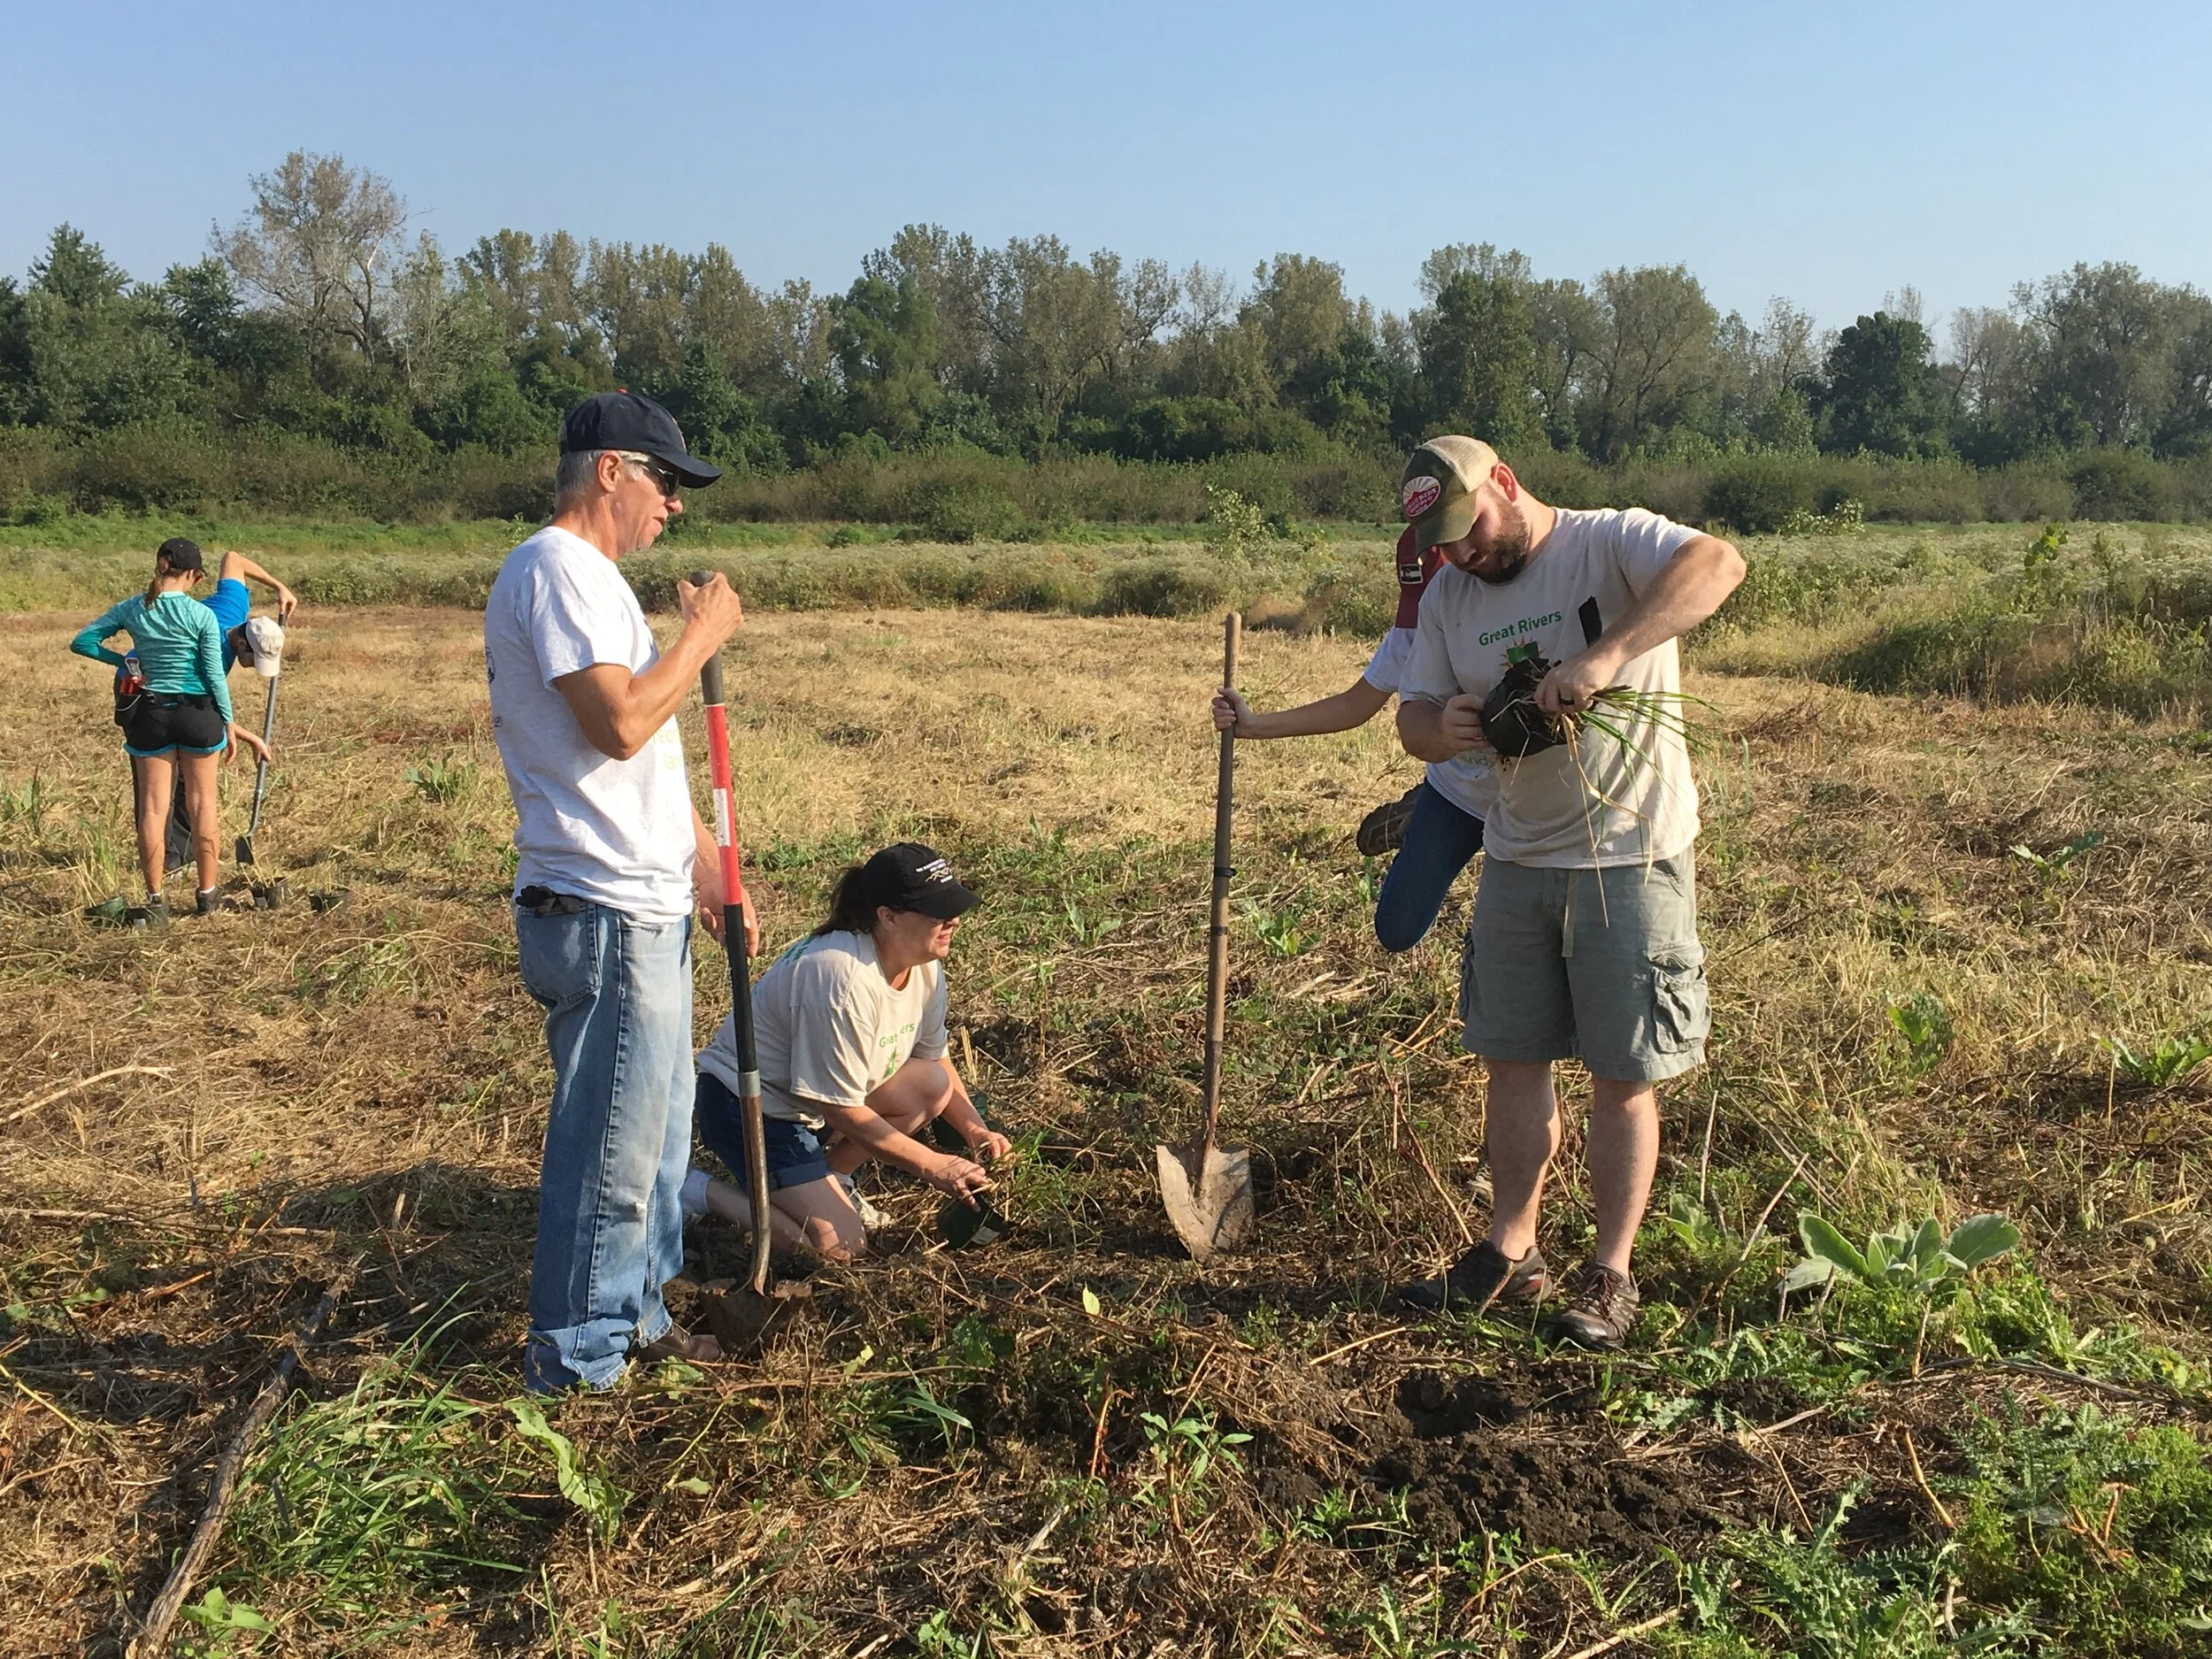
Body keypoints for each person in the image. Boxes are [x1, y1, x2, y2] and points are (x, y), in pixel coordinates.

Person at [1389, 435, 1745, 1348]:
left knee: (1621, 1077)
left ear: (1504, 485)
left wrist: (1604, 655)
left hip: (1629, 856)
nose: (1462, 555)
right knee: (1511, 1060)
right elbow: (1412, 722)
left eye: (1471, 531)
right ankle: (1512, 1249)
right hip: (1516, 858)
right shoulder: (1447, 597)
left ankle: (1610, 1276)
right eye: (1444, 546)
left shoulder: (1607, 541)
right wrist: (1445, 726)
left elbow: (1718, 562)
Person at [483, 391, 749, 1392]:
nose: (674, 507)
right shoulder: (553, 569)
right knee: (609, 1152)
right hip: (600, 909)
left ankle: (637, 1320)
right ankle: (577, 1363)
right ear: (610, 471)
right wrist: (701, 639)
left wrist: (703, 863)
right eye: (666, 482)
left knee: (653, 1139)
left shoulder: (593, 582)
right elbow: (620, 725)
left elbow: (646, 759)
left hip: (645, 900)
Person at [685, 842, 1010, 1261]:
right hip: (751, 1109)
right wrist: (934, 1164)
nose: (954, 920)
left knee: (930, 1085)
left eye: (953, 907)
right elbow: (838, 1108)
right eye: (936, 911)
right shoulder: (840, 979)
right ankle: (696, 1190)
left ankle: (835, 1177)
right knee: (836, 1248)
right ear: (887, 917)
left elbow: (935, 1060)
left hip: (813, 1103)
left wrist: (975, 1130)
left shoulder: (924, 967)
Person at [1210, 526, 1492, 952]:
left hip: (1526, 801)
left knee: (1506, 938)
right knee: (1396, 929)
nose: (1427, 621)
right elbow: (1354, 705)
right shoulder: (1409, 636)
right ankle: (1416, 814)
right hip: (1456, 793)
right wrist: (1254, 725)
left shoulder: (1513, 618)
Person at [71, 540, 265, 922]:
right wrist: (228, 720)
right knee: (203, 805)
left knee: (153, 809)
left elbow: (83, 642)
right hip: (199, 716)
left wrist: (126, 662)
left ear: (160, 567)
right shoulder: (201, 616)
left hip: (151, 715)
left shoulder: (134, 607)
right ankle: (207, 897)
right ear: (195, 576)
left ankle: (155, 899)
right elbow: (213, 675)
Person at [139, 551, 298, 874]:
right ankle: (166, 859)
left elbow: (233, 559)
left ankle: (186, 852)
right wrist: (246, 734)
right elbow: (198, 710)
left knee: (191, 768)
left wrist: (279, 586)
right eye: (254, 659)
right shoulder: (209, 655)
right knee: (160, 781)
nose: (254, 667)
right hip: (143, 684)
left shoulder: (233, 608)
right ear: (241, 644)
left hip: (185, 698)